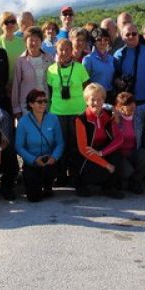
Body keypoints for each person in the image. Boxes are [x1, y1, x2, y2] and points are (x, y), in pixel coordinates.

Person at [46, 38, 90, 185]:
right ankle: (61, 175)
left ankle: (76, 175)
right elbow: (50, 91)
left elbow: (88, 90)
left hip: (77, 112)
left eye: (67, 49)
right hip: (58, 113)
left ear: (72, 51)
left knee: (76, 146)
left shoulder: (80, 68)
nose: (64, 52)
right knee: (60, 145)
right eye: (61, 50)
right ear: (56, 52)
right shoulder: (51, 70)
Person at [74, 83, 125, 198]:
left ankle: (109, 187)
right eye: (92, 99)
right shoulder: (80, 119)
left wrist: (102, 153)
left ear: (104, 100)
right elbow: (83, 149)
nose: (96, 103)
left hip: (101, 150)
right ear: (86, 101)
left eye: (99, 99)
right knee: (85, 159)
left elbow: (119, 138)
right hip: (86, 153)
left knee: (117, 155)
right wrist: (106, 165)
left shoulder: (108, 115)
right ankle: (81, 184)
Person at [15, 89, 64, 202]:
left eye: (45, 101)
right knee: (34, 198)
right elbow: (19, 146)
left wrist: (54, 157)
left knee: (50, 172)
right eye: (39, 101)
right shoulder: (23, 122)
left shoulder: (53, 118)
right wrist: (33, 159)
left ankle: (48, 185)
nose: (43, 104)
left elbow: (60, 143)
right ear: (31, 104)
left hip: (49, 161)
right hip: (32, 162)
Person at [113, 92, 145, 194]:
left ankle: (135, 181)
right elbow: (102, 105)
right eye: (127, 104)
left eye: (133, 103)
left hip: (133, 152)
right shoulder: (114, 118)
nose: (132, 106)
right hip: (119, 155)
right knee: (128, 171)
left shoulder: (138, 114)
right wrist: (113, 110)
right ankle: (124, 180)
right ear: (119, 107)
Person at [114, 23, 145, 105]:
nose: (131, 36)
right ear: (122, 36)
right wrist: (118, 81)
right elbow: (114, 75)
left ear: (138, 35)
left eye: (134, 34)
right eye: (127, 34)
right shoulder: (118, 54)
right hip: (126, 101)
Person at [11, 26, 52, 119]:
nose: (34, 43)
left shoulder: (49, 59)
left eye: (37, 40)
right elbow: (16, 86)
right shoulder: (20, 61)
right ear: (25, 42)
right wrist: (16, 109)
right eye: (31, 40)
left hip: (46, 104)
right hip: (26, 106)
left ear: (41, 41)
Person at [0, 11, 26, 100]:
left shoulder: (22, 41)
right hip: (2, 84)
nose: (10, 25)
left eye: (12, 22)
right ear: (1, 25)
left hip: (21, 83)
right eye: (6, 22)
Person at [82, 28, 116, 103]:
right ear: (94, 42)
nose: (103, 42)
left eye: (106, 39)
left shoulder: (112, 59)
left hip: (110, 96)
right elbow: (85, 82)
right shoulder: (88, 59)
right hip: (95, 97)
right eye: (99, 39)